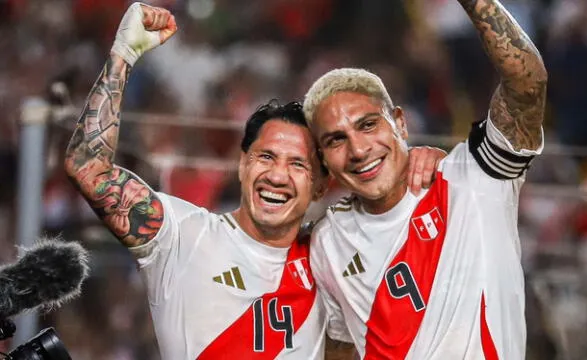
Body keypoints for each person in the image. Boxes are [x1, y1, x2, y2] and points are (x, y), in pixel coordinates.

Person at [63, 3, 445, 359]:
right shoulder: (181, 235)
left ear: (319, 185)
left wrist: (425, 163)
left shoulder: (330, 256)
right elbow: (88, 168)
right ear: (242, 164)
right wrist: (122, 57)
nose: (277, 176)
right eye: (266, 157)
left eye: (298, 164)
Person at [303, 0, 547, 359]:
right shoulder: (327, 239)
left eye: (368, 125)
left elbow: (527, 83)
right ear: (323, 158)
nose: (357, 149)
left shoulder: (475, 176)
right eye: (335, 140)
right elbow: (339, 345)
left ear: (400, 123)